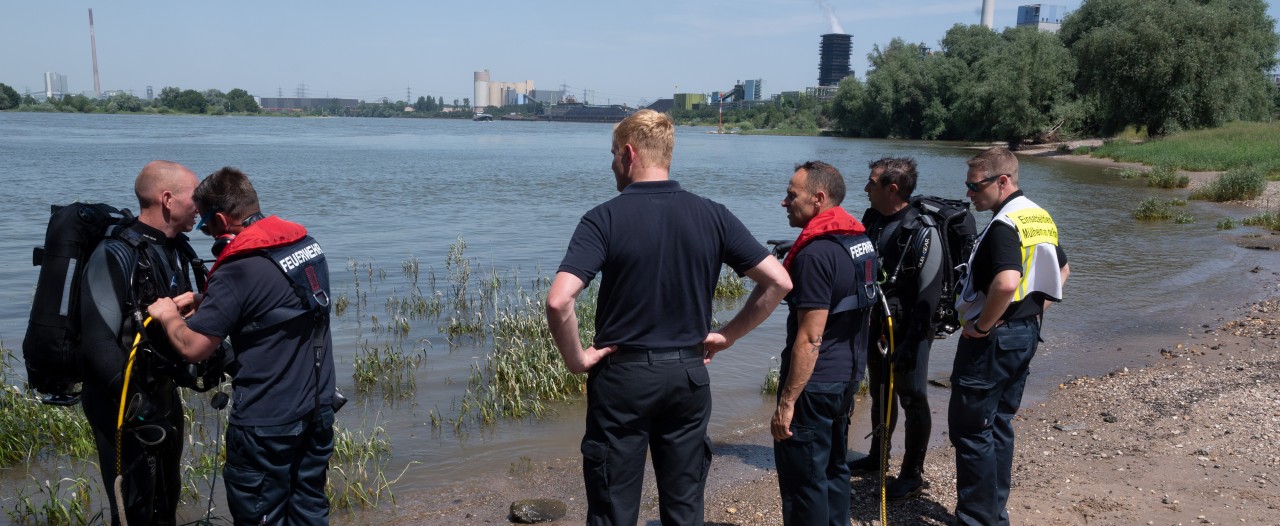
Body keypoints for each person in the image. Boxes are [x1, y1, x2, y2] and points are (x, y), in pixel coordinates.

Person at [546, 109, 792, 526]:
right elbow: (779, 282)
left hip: (623, 380)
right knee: (683, 507)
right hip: (688, 377)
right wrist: (727, 335)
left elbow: (559, 301)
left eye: (612, 155)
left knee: (612, 508)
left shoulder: (604, 217)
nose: (612, 166)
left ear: (628, 153)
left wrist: (577, 360)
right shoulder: (713, 214)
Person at [147, 167, 336, 525]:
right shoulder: (305, 245)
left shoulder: (238, 267)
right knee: (309, 508)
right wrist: (208, 301)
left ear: (220, 219)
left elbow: (193, 347)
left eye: (206, 227)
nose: (207, 235)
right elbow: (279, 306)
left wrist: (167, 315)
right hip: (317, 409)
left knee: (259, 514)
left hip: (266, 422)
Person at [949, 146, 1069, 525]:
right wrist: (1029, 314)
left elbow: (1006, 282)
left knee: (971, 431)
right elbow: (1063, 272)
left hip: (993, 341)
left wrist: (983, 326)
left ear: (1002, 182)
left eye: (975, 185)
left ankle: (978, 519)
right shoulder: (1038, 215)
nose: (969, 193)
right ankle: (994, 513)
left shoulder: (1004, 224)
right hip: (1025, 335)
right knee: (998, 424)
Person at [78, 160, 201, 526]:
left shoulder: (174, 248)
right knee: (134, 508)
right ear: (167, 199)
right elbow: (97, 345)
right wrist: (139, 408)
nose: (202, 206)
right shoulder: (114, 254)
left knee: (167, 496)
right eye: (195, 197)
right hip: (120, 403)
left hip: (159, 392)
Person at [772, 161, 875, 525]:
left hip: (814, 385)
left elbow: (811, 337)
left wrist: (787, 402)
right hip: (847, 376)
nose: (784, 202)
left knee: (804, 482)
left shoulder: (815, 255)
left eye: (791, 195)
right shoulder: (860, 242)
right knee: (834, 469)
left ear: (818, 199)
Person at [849, 157, 945, 500]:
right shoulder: (872, 218)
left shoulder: (922, 229)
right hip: (878, 322)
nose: (865, 189)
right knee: (880, 390)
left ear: (892, 189)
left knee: (913, 395)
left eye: (871, 183)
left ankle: (912, 474)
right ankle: (878, 458)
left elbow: (930, 293)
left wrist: (913, 342)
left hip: (911, 327)